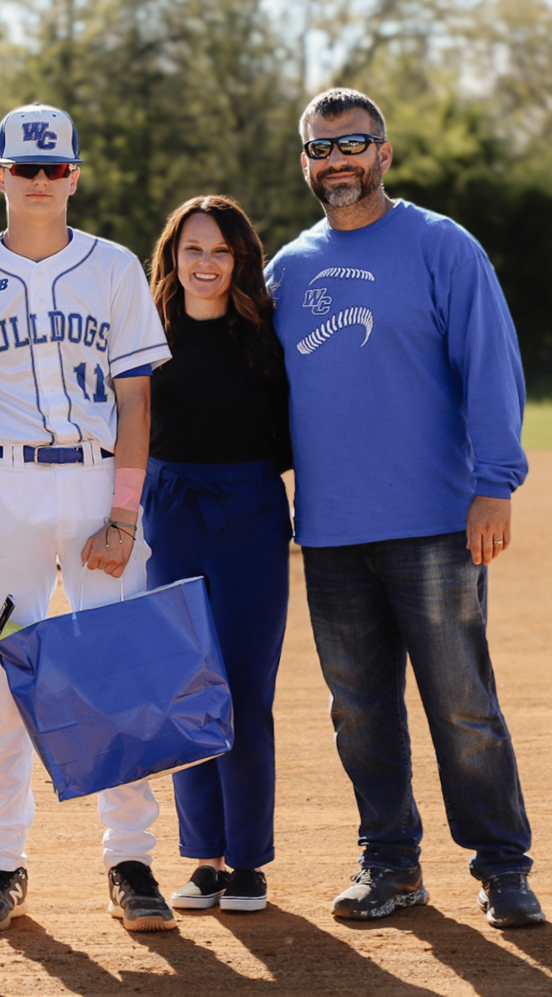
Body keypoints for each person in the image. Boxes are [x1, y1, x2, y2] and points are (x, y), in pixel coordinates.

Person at [265, 88, 544, 930]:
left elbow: (491, 361)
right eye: (321, 147)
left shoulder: (440, 245)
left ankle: (502, 868)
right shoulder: (287, 269)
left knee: (462, 705)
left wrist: (494, 480)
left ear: (384, 153)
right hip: (332, 528)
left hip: (432, 519)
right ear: (305, 163)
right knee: (358, 712)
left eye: (354, 143)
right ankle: (391, 864)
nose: (337, 159)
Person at [0, 102, 175, 934]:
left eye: (53, 168)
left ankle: (130, 861)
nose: (39, 182)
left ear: (74, 174)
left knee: (120, 675)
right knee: (5, 685)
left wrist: (125, 516)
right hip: (6, 496)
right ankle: (1, 863)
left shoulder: (114, 268)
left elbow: (137, 399)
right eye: (23, 168)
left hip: (100, 487)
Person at [143, 196, 291, 914]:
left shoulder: (266, 337)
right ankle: (203, 859)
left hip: (252, 513)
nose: (205, 263)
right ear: (173, 256)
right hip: (168, 516)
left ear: (241, 259)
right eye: (192, 248)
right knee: (185, 686)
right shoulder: (145, 333)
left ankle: (249, 861)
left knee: (246, 690)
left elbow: (296, 434)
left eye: (221, 251)